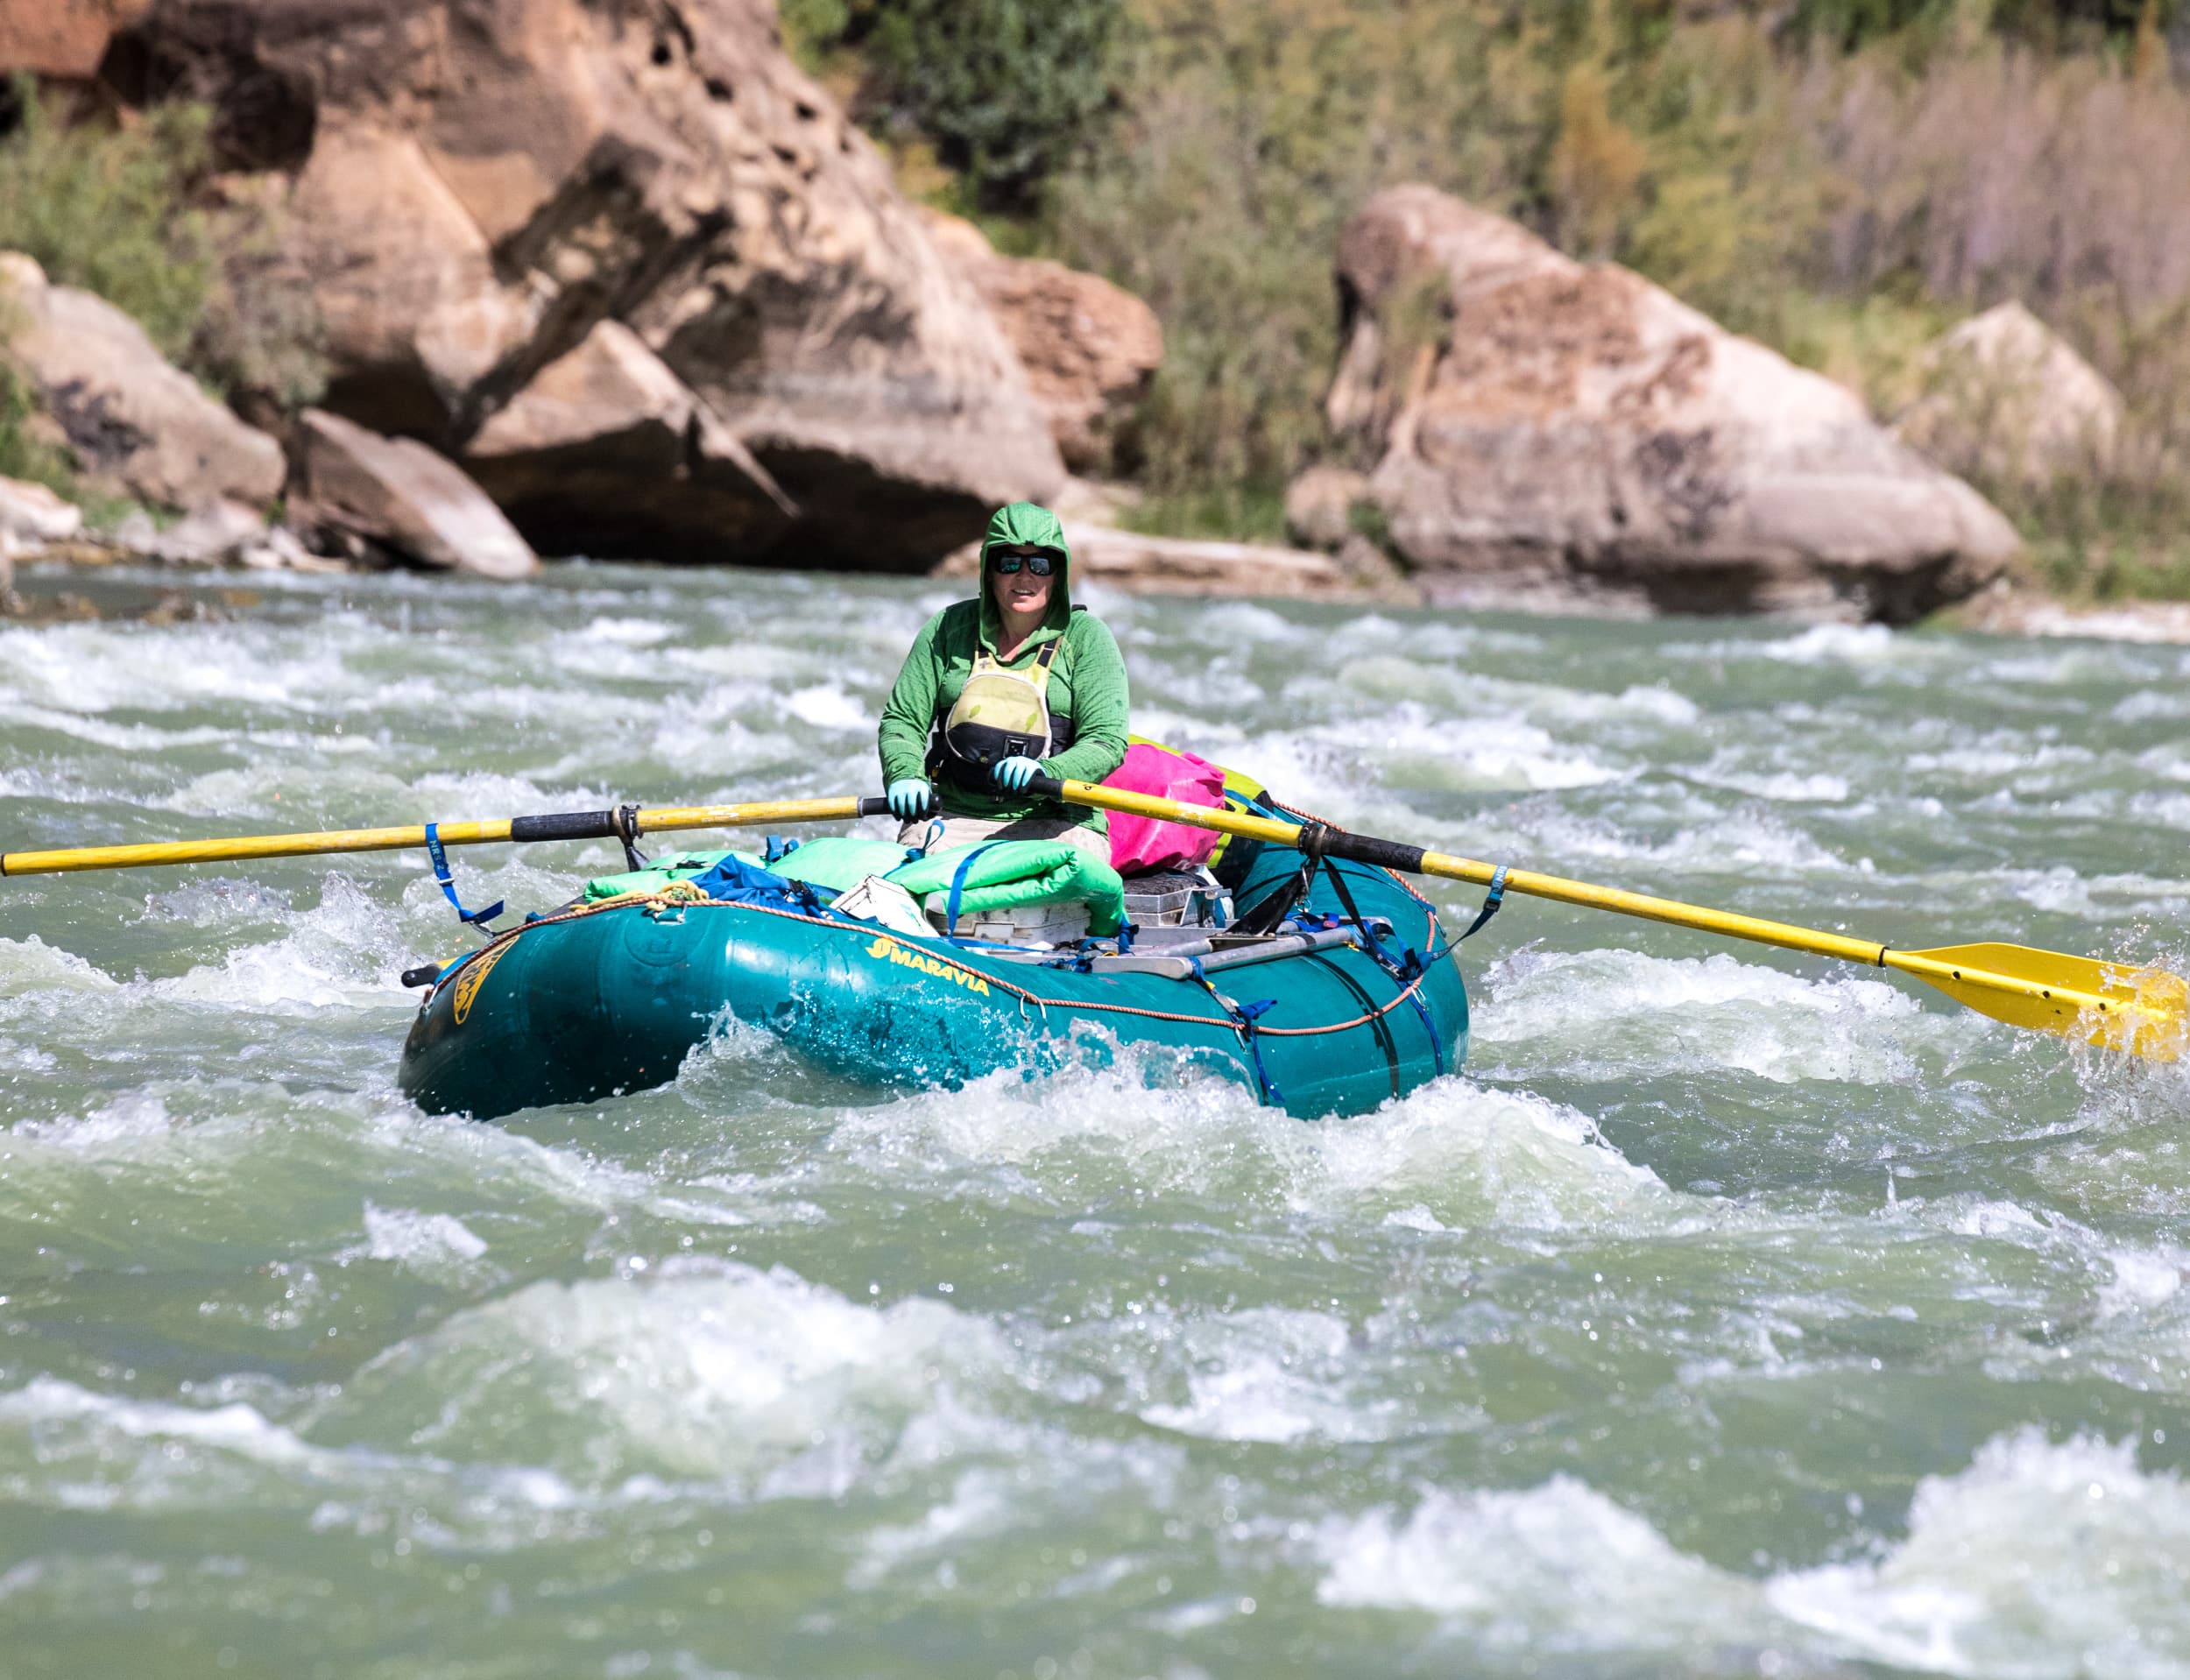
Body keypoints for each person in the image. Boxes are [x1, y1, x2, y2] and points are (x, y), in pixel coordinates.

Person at [878, 502, 1127, 864]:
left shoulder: (1089, 637)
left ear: (1057, 573)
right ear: (988, 571)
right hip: (951, 817)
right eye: (1009, 563)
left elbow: (1106, 742)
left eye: (1040, 564)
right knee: (903, 883)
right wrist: (904, 774)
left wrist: (1048, 771)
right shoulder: (947, 627)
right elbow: (903, 721)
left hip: (1057, 821)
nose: (1024, 577)